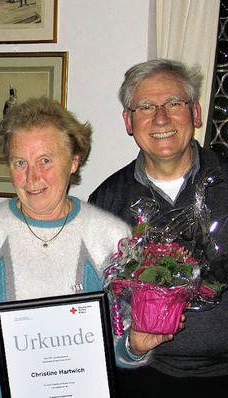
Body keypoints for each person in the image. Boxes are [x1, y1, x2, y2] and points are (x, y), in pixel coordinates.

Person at [0, 97, 130, 398]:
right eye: (20, 163)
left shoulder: (112, 238)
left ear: (74, 160)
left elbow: (123, 344)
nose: (32, 178)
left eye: (45, 160)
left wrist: (136, 345)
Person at [89, 58, 228, 396]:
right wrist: (130, 347)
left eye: (174, 104)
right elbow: (94, 307)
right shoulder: (107, 201)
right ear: (128, 121)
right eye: (146, 107)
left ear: (195, 113)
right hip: (143, 380)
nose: (161, 118)